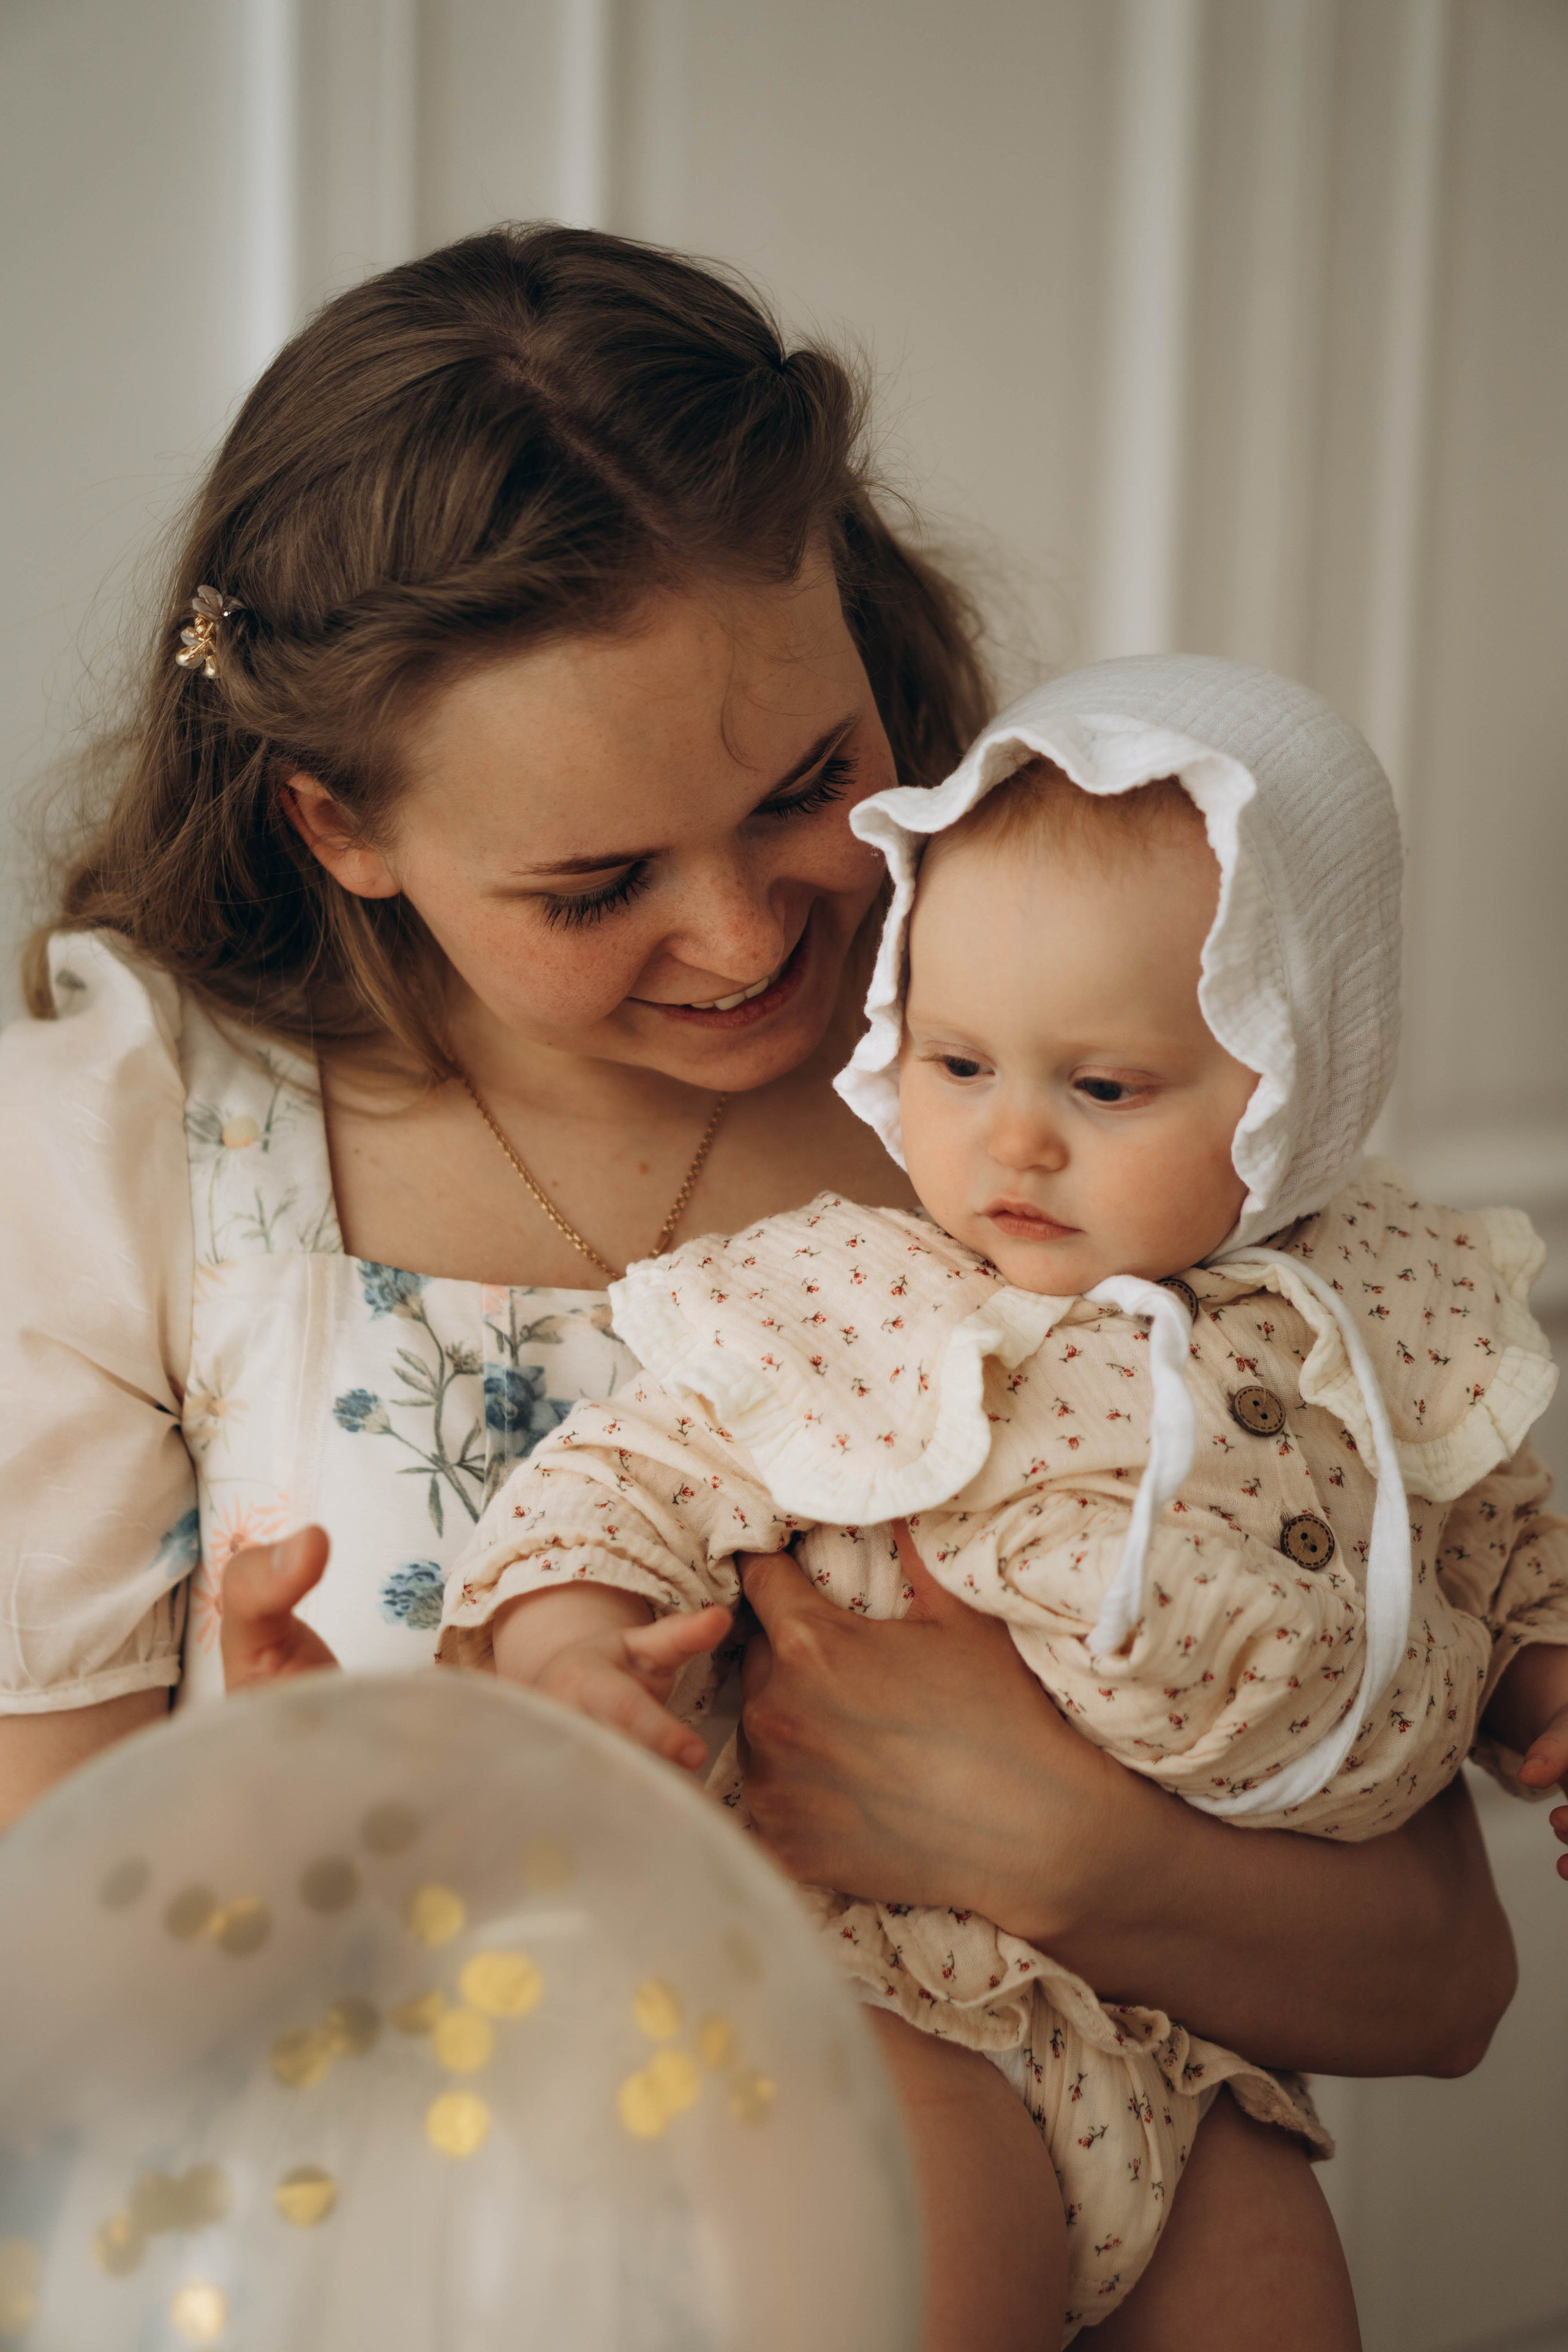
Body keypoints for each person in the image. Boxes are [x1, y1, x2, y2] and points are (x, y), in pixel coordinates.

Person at [0, 225, 1527, 2352]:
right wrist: (278, 1833)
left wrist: (1050, 1837)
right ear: (340, 826)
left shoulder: (1074, 1102)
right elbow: (48, 2042)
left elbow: (1445, 1985)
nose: (744, 938)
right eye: (595, 883)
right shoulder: (132, 1158)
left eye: (808, 784)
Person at [438, 657, 1568, 2344]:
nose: (1013, 1146)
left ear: (1305, 1081)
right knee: (931, 2286)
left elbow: (1495, 1534)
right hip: (884, 1991)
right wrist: (563, 1645)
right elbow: (628, 1471)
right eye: (958, 1066)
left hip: (1193, 2045)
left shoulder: (1385, 1300)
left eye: (1101, 1089)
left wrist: (1550, 1688)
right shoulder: (864, 1291)